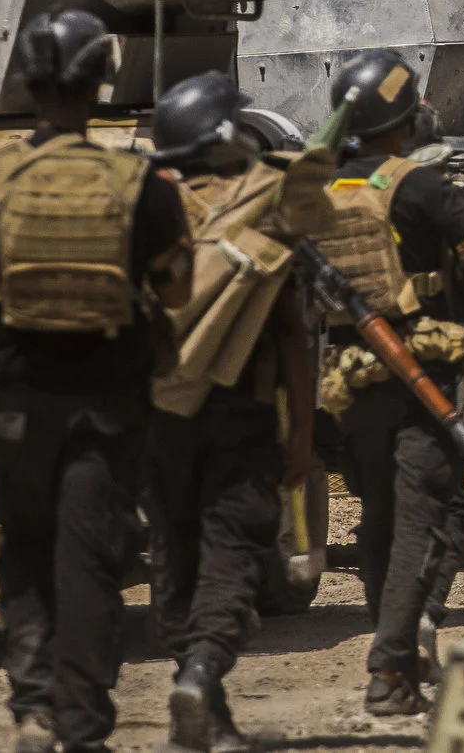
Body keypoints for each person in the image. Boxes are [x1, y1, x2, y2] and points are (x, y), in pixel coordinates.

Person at [0, 9, 194, 753]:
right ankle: (81, 723)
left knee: (26, 547)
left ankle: (32, 707)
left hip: (18, 403)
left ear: (28, 81)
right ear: (98, 83)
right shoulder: (140, 179)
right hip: (110, 409)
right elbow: (176, 293)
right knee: (92, 560)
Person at [294, 50, 464, 717]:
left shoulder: (325, 187)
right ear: (404, 114)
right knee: (423, 524)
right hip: (424, 376)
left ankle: (400, 650)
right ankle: (389, 666)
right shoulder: (418, 184)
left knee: (381, 524)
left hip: (351, 378)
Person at [144, 72, 316, 753]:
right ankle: (201, 671)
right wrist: (301, 429)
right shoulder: (255, 211)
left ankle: (204, 708)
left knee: (173, 550)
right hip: (238, 418)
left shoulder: (146, 206)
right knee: (234, 553)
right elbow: (292, 337)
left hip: (156, 415)